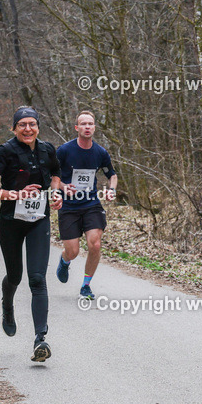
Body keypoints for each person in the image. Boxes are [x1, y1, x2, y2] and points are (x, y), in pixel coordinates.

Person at [0, 106, 63, 362]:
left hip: (39, 220)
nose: (28, 129)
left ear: (38, 126)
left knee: (37, 279)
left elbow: (57, 174)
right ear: (14, 128)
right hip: (10, 222)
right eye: (22, 125)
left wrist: (57, 192)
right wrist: (16, 194)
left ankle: (41, 339)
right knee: (15, 276)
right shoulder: (5, 151)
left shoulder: (48, 149)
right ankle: (7, 305)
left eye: (32, 124)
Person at [55, 111, 117, 299]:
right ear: (77, 128)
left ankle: (86, 286)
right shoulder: (64, 150)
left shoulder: (100, 152)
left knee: (95, 244)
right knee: (73, 251)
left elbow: (112, 175)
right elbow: (52, 177)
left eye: (90, 124)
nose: (87, 127)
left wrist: (111, 190)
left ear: (94, 128)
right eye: (83, 124)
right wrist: (63, 188)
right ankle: (65, 261)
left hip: (91, 204)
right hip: (69, 207)